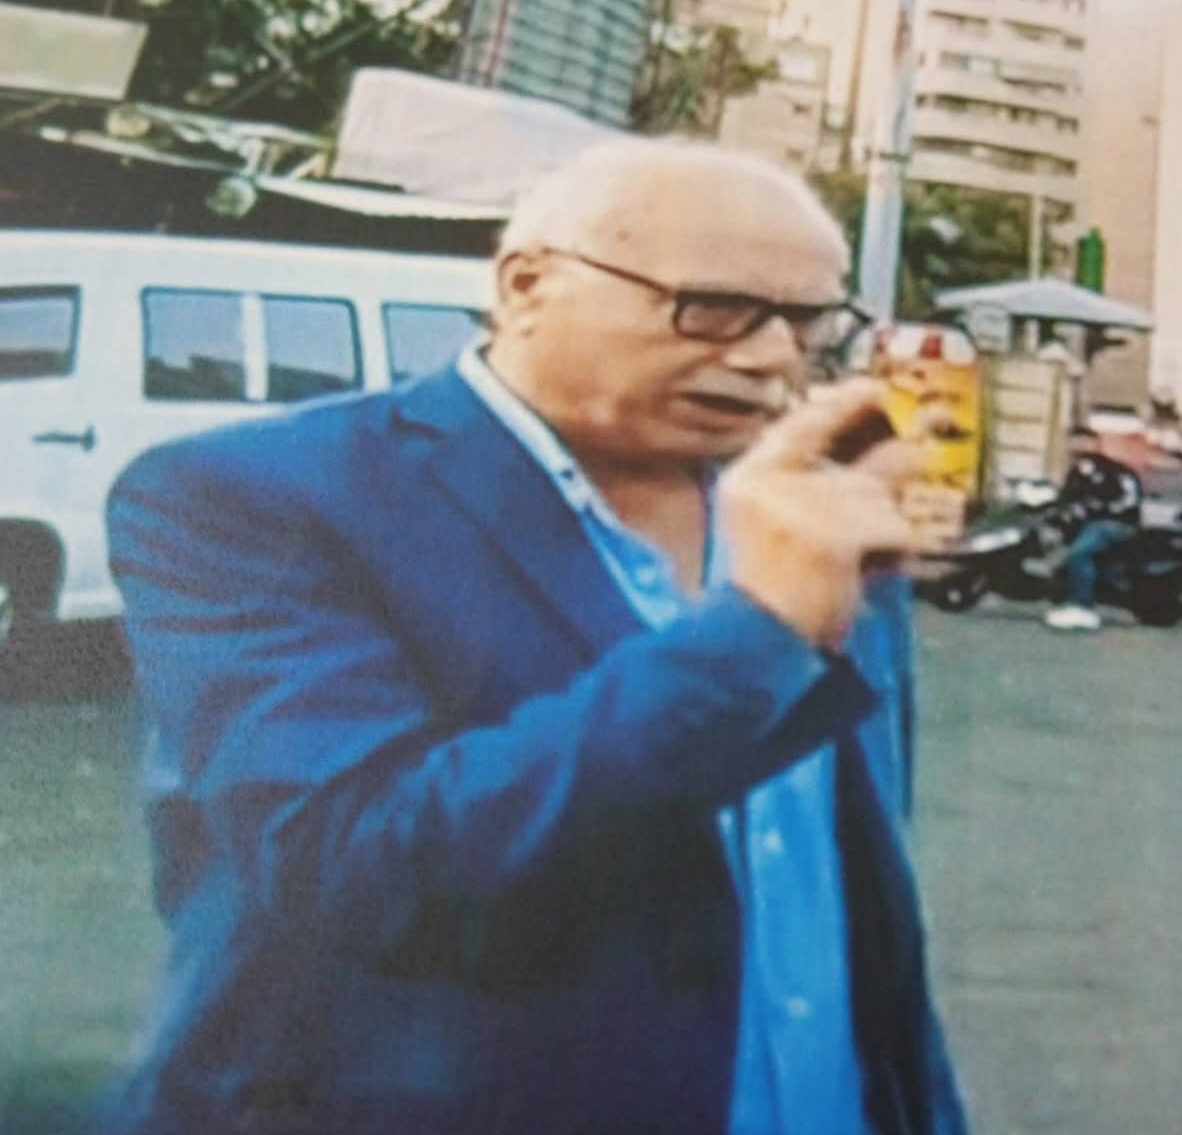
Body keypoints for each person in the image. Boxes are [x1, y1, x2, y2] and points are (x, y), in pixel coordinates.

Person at [104, 137, 967, 1135]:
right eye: (713, 307)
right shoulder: (251, 497)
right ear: (527, 286)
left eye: (809, 323)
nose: (773, 356)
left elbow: (867, 903)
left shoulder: (813, 506)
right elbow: (365, 867)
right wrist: (760, 630)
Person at [1041, 425, 1143, 631]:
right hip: (1091, 524)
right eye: (1074, 441)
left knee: (1079, 554)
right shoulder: (1075, 472)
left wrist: (1095, 508)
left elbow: (1128, 501)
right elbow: (1066, 499)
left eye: (1084, 441)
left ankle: (1082, 606)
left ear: (1095, 444)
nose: (1078, 446)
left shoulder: (1115, 471)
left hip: (1116, 523)